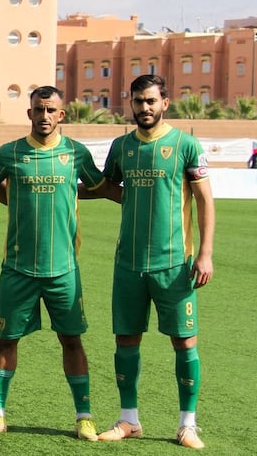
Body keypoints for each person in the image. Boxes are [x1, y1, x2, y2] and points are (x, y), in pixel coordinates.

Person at [0, 86, 107, 440]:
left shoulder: (76, 153)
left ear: (61, 115)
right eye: (38, 110)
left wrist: (140, 194)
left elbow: (101, 186)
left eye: (51, 110)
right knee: (7, 339)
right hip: (18, 268)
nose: (44, 116)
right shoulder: (11, 153)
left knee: (71, 340)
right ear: (29, 113)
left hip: (63, 269)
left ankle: (84, 417)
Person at [95, 74, 214, 449]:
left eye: (150, 101)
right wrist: (67, 187)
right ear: (130, 103)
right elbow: (109, 186)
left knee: (185, 341)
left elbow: (205, 200)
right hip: (129, 262)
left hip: (175, 263)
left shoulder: (185, 144)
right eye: (138, 101)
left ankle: (187, 425)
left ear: (165, 102)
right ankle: (129, 420)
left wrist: (205, 253)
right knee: (126, 339)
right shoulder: (121, 146)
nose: (144, 107)